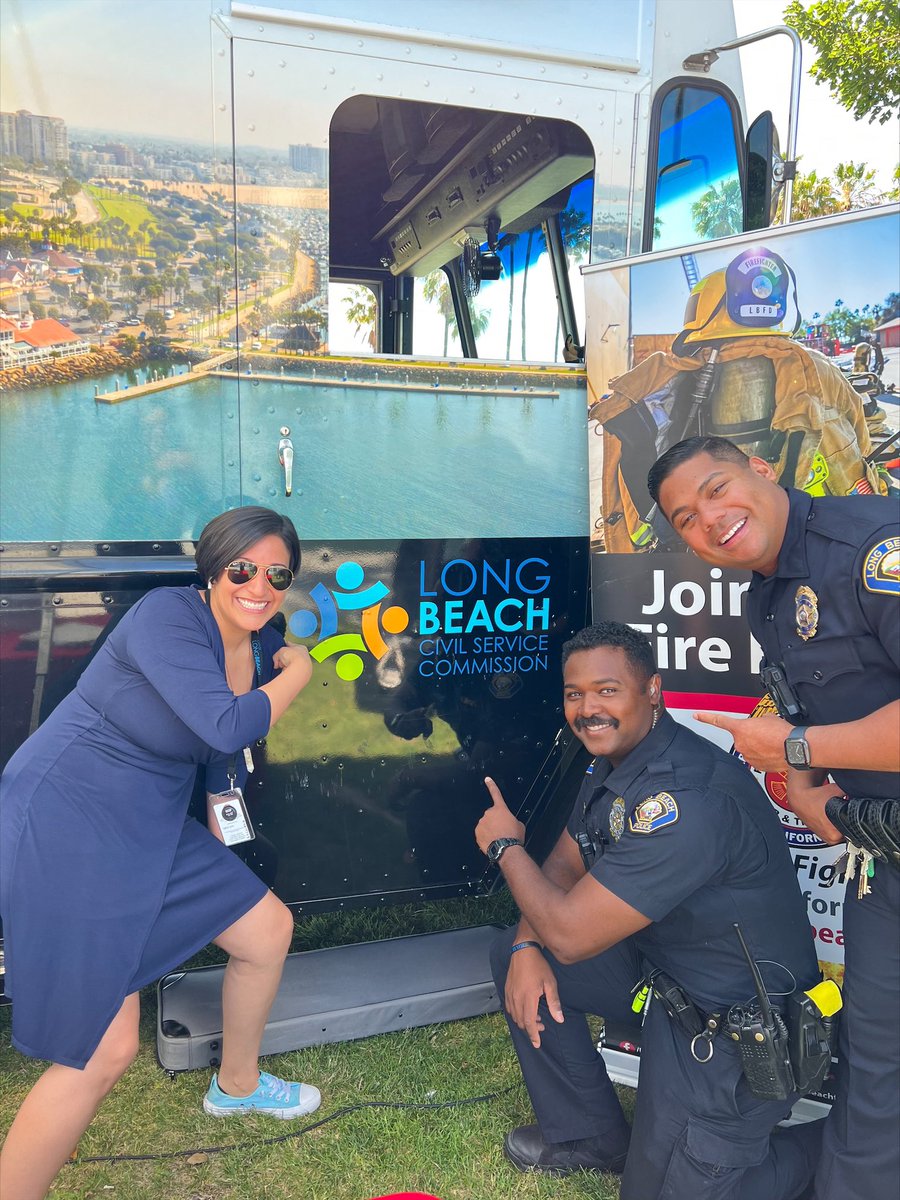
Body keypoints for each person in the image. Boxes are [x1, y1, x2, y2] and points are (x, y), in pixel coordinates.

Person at [0, 506, 319, 1200]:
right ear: (212, 568)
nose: (259, 586)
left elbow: (222, 753)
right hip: (73, 816)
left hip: (149, 819)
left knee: (266, 930)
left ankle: (237, 1086)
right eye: (243, 569)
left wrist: (225, 815)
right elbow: (225, 723)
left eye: (277, 575)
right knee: (103, 1050)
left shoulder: (260, 642)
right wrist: (301, 670)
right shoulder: (166, 617)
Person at [474, 620, 822, 1200]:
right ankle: (590, 1137)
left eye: (606, 690)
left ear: (652, 690)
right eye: (574, 694)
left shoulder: (685, 797)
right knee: (514, 950)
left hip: (736, 1026)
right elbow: (563, 865)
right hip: (666, 979)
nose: (588, 709)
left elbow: (571, 934)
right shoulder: (613, 761)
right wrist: (527, 945)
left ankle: (846, 1144)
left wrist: (506, 847)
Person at [648, 436, 900, 1200]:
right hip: (881, 858)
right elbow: (815, 714)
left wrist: (793, 748)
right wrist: (814, 788)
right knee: (874, 1065)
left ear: (762, 469)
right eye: (686, 518)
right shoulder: (766, 599)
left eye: (717, 489)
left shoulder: (873, 547)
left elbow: (800, 733)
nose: (710, 519)